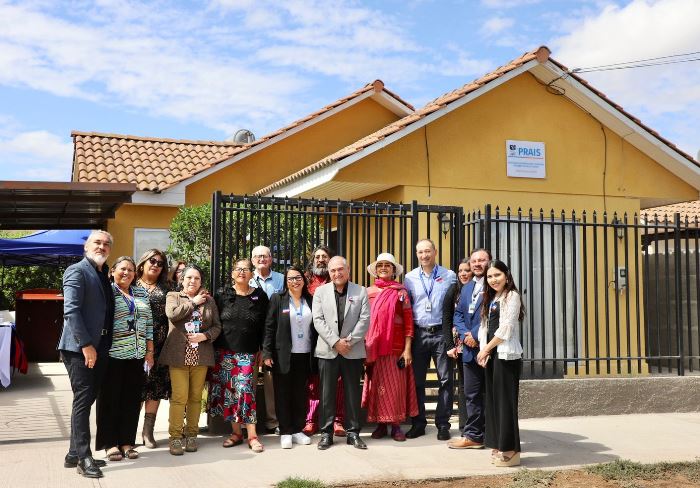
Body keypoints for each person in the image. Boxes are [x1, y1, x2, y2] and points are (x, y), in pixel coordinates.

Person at [58, 230, 114, 479]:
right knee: (82, 401)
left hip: (100, 346)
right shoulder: (77, 271)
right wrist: (87, 345)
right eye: (97, 243)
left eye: (105, 244)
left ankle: (73, 453)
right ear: (86, 247)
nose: (101, 247)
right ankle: (83, 457)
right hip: (79, 348)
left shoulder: (103, 274)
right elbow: (71, 311)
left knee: (86, 400)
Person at [95, 256, 154, 461]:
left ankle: (127, 441)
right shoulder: (108, 291)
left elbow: (148, 324)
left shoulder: (140, 292)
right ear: (112, 271)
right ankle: (110, 443)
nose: (127, 273)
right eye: (122, 269)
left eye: (130, 270)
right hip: (113, 354)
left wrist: (149, 351)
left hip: (137, 355)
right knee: (111, 400)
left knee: (130, 400)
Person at [160, 265, 222, 456]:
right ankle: (175, 437)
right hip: (179, 355)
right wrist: (194, 302)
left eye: (196, 278)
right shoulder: (173, 296)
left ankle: (192, 435)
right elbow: (173, 314)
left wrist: (205, 336)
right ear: (182, 279)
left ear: (201, 281)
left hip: (200, 355)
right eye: (189, 277)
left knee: (195, 398)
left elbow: (217, 326)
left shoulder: (209, 301)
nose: (192, 281)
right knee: (179, 397)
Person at [209, 258, 269, 453]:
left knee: (244, 391)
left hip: (248, 352)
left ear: (252, 274)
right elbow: (212, 319)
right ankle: (236, 433)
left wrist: (264, 349)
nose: (242, 272)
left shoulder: (260, 296)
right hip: (224, 352)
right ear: (232, 273)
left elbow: (266, 326)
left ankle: (252, 435)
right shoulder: (221, 294)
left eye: (246, 269)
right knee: (229, 394)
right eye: (238, 269)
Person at [313, 256, 370, 450]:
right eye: (333, 270)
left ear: (348, 270)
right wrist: (336, 342)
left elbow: (365, 320)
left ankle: (353, 432)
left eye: (340, 269)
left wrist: (349, 341)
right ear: (329, 273)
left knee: (353, 393)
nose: (337, 273)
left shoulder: (361, 291)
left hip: (352, 351)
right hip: (328, 351)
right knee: (326, 394)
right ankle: (326, 433)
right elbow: (318, 320)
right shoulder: (320, 292)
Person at [403, 239, 456, 440]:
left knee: (445, 380)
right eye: (420, 252)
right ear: (416, 254)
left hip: (441, 334)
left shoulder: (449, 276)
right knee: (417, 381)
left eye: (427, 251)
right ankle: (419, 423)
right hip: (419, 334)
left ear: (435, 252)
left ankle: (443, 424)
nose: (424, 255)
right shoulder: (409, 278)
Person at [361, 253, 418, 442]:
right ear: (375, 270)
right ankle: (380, 425)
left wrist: (407, 348)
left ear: (394, 270)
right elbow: (363, 320)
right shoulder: (367, 292)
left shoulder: (401, 292)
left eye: (388, 265)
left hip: (395, 348)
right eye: (380, 265)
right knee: (377, 387)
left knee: (394, 387)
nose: (384, 268)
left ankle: (395, 425)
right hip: (374, 348)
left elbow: (409, 322)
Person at [476, 260, 524, 467]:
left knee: (506, 404)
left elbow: (506, 329)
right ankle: (498, 443)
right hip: (492, 355)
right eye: (489, 276)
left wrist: (487, 348)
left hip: (506, 356)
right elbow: (483, 327)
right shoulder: (491, 298)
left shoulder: (512, 296)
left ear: (506, 275)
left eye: (497, 275)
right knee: (494, 402)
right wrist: (483, 349)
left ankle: (511, 450)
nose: (493, 280)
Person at [262, 265, 316, 449]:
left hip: (305, 354)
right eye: (290, 278)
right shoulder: (278, 299)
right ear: (286, 282)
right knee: (282, 393)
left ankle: (297, 430)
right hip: (283, 354)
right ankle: (285, 431)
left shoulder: (310, 299)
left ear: (304, 279)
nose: (295, 281)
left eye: (298, 277)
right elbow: (269, 327)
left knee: (300, 394)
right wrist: (267, 352)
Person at [448, 249, 491, 449]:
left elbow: (493, 316)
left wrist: (474, 335)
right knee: (471, 394)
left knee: (490, 394)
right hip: (469, 350)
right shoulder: (467, 288)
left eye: (481, 260)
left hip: (489, 349)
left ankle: (492, 434)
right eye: (474, 261)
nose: (477, 264)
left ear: (489, 261)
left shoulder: (494, 284)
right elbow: (458, 314)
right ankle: (474, 435)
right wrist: (467, 336)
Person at [302, 245, 346, 437]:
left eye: (324, 257)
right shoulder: (304, 281)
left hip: (334, 337)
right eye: (317, 257)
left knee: (337, 380)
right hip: (310, 337)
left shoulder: (338, 281)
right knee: (313, 380)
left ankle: (338, 420)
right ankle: (311, 420)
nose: (320, 260)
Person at [135, 249, 171, 449]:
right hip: (134, 346)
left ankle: (148, 432)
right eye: (152, 261)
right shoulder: (131, 285)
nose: (156, 265)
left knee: (155, 389)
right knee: (135, 389)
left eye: (160, 263)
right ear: (143, 263)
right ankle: (129, 430)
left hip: (159, 346)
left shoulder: (167, 288)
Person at [250, 245, 284, 435]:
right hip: (252, 337)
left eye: (265, 256)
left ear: (271, 259)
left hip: (274, 337)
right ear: (253, 260)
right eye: (258, 256)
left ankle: (273, 422)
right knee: (250, 380)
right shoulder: (247, 277)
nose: (262, 259)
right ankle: (250, 423)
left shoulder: (281, 279)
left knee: (271, 381)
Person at [445, 258, 473, 431]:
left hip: (479, 341)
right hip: (460, 344)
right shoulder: (453, 290)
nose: (463, 273)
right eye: (460, 270)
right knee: (464, 384)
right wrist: (450, 345)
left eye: (467, 270)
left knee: (478, 385)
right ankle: (465, 424)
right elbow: (446, 317)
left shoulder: (481, 289)